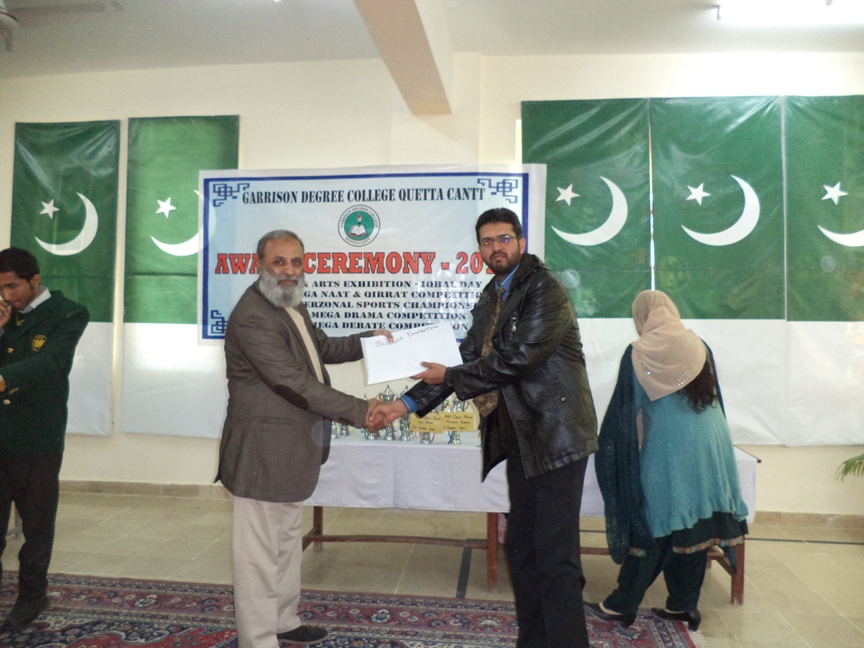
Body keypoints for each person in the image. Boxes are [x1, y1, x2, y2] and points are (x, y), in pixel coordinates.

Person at [371, 208, 598, 648]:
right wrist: (402, 405)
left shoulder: (544, 289)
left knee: (555, 558)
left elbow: (515, 359)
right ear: (479, 249)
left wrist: (450, 375)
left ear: (521, 243)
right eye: (487, 241)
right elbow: (462, 359)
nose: (496, 247)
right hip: (520, 438)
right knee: (522, 550)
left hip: (556, 437)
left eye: (504, 239)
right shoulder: (490, 296)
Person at [216, 230, 390, 648]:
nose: (289, 270)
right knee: (257, 554)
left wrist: (370, 340)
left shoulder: (289, 302)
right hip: (262, 453)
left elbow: (320, 348)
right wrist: (360, 410)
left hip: (292, 450)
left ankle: (283, 620)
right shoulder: (253, 316)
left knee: (286, 541)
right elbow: (292, 382)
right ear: (259, 264)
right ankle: (258, 639)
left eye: (296, 262)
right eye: (279, 262)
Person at [589, 290, 748, 630]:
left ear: (642, 317)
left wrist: (608, 450)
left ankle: (621, 605)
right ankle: (683, 605)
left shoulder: (638, 352)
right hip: (714, 443)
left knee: (653, 523)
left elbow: (624, 413)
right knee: (694, 521)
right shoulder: (700, 345)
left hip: (672, 448)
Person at [0, 247, 89, 632]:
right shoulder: (4, 314)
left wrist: (4, 378)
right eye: (1, 289)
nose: (7, 296)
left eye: (13, 287)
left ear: (35, 280)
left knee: (36, 527)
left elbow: (52, 362)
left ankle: (32, 596)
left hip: (37, 437)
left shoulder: (68, 313)